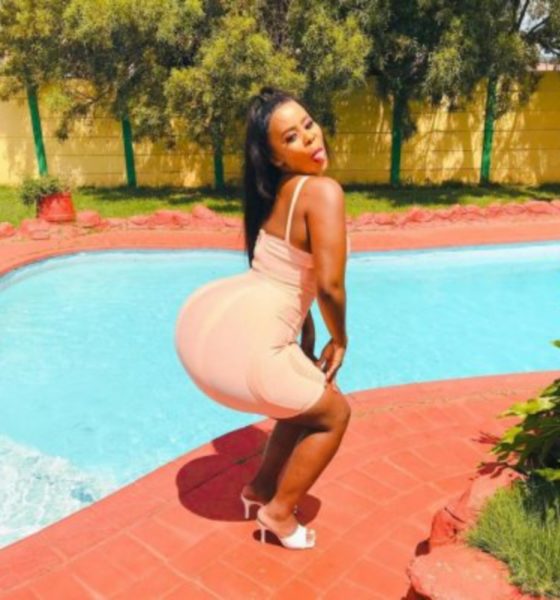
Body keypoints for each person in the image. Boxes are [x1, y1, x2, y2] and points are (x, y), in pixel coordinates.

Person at [174, 85, 351, 550]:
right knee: (335, 415)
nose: (309, 138)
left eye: (308, 125)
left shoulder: (276, 193)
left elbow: (289, 276)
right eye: (291, 137)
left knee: (300, 406)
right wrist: (339, 339)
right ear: (274, 156)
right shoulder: (322, 192)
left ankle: (258, 490)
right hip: (251, 350)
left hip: (220, 329)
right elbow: (328, 286)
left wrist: (303, 337)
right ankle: (278, 514)